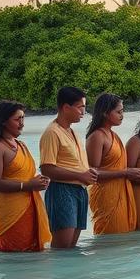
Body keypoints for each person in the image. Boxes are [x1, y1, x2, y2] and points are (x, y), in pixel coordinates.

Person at [0, 101, 52, 252]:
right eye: (17, 119)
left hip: (31, 205)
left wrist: (39, 181)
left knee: (35, 254)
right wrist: (28, 185)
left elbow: (24, 174)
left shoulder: (21, 145)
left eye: (23, 119)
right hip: (11, 210)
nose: (22, 124)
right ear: (3, 121)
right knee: (14, 254)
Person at [40, 86, 98, 248]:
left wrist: (87, 172)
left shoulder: (71, 132)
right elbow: (46, 168)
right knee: (62, 247)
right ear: (66, 107)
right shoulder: (52, 132)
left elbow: (74, 163)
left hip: (79, 190)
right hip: (62, 190)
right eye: (80, 107)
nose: (83, 112)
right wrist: (80, 176)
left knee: (71, 247)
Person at [85, 93, 140, 235]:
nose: (122, 115)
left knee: (124, 238)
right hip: (106, 195)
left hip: (121, 190)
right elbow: (93, 174)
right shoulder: (97, 136)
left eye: (123, 111)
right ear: (105, 113)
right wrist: (125, 172)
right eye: (118, 112)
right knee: (111, 237)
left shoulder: (113, 135)